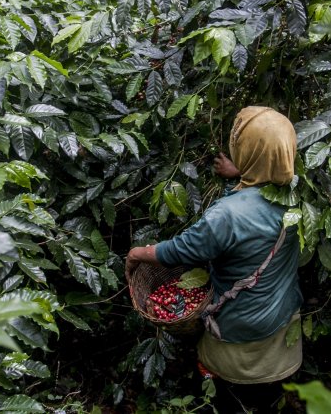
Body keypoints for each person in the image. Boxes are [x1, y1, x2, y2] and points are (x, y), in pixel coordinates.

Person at [126, 106, 303, 413]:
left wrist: (138, 253)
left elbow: (182, 250)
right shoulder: (299, 193)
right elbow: (254, 212)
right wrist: (242, 175)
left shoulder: (225, 215)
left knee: (225, 398)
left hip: (238, 331)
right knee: (269, 399)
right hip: (283, 321)